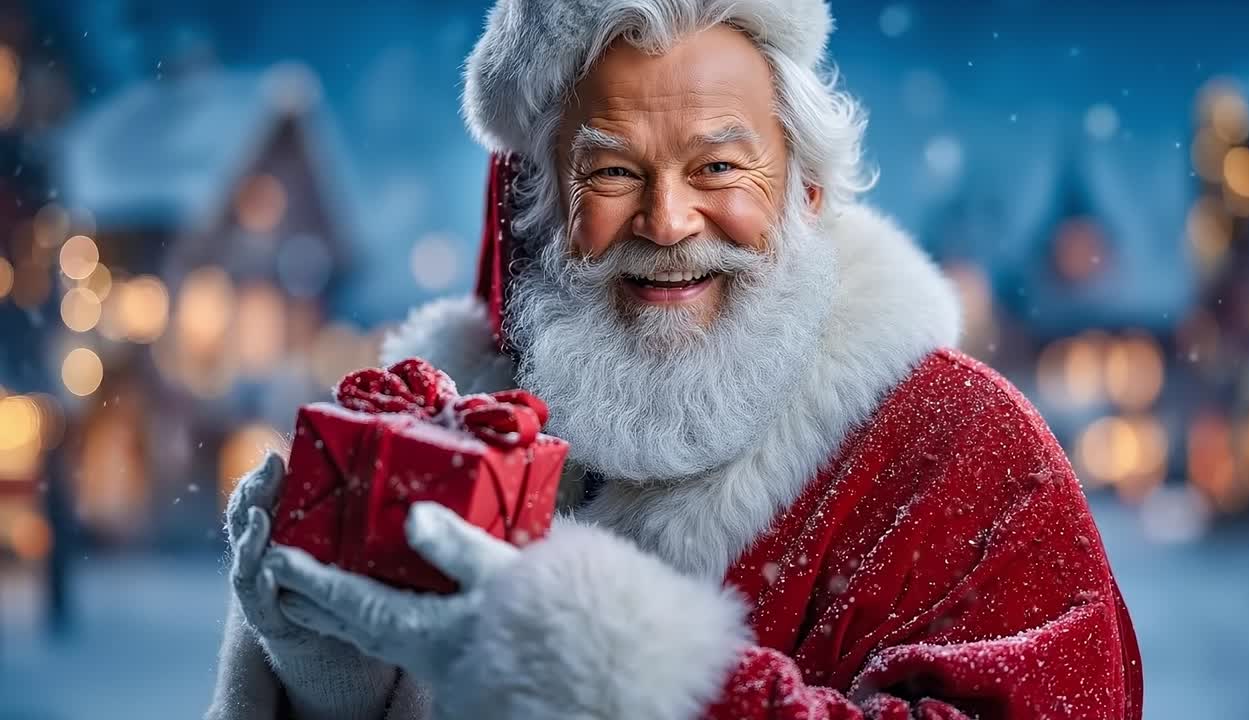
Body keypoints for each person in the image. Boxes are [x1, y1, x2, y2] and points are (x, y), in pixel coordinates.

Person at [207, 1, 1142, 718]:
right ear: (541, 210)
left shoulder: (966, 451)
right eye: (612, 171)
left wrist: (604, 672)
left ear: (808, 191)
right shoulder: (464, 430)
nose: (666, 221)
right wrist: (338, 682)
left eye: (720, 167)